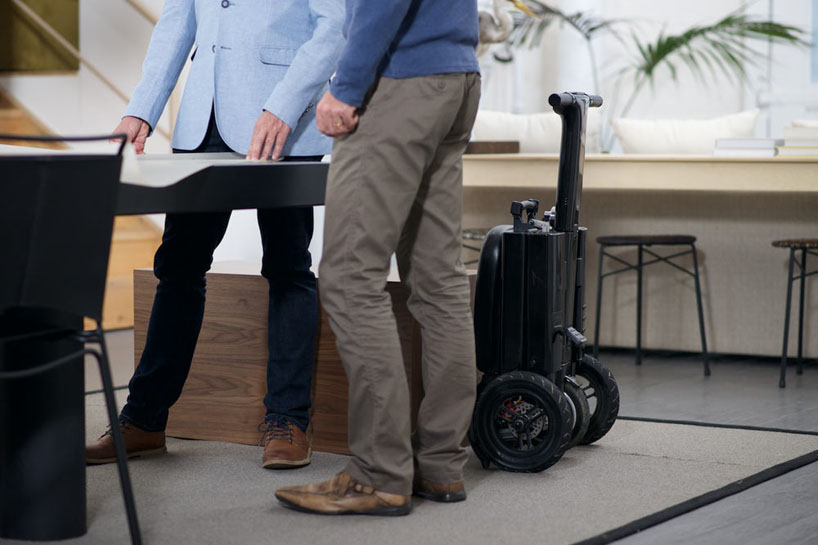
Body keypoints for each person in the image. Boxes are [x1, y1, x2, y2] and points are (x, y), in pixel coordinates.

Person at [85, 0, 344, 470]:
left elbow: (334, 26)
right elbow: (176, 23)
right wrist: (141, 109)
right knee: (178, 268)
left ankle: (288, 421)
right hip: (202, 119)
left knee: (288, 266)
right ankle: (144, 419)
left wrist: (284, 104)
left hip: (283, 116)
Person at [275, 0, 481, 515]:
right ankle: (441, 464)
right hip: (455, 78)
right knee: (439, 281)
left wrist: (346, 86)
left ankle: (379, 474)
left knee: (349, 278)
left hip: (399, 82)